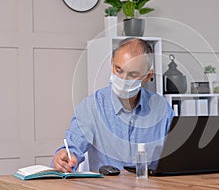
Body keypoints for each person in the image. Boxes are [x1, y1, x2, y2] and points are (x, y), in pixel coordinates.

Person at [52, 38, 174, 172]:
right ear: (112, 65)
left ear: (147, 76)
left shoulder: (162, 108)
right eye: (119, 70)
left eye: (133, 74)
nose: (123, 79)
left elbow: (177, 154)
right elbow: (72, 149)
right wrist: (63, 157)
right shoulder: (92, 107)